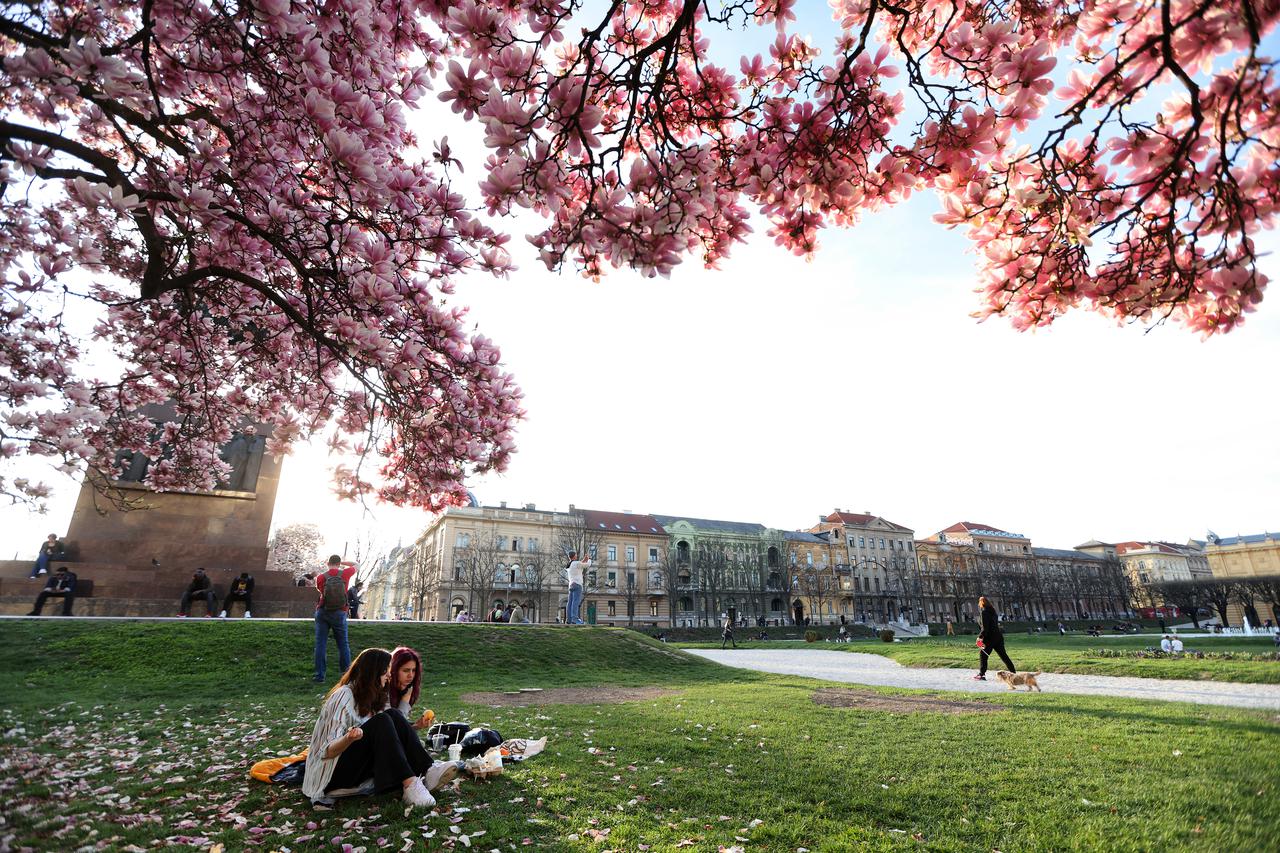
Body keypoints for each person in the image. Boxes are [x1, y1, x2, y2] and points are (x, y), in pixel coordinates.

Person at [302, 648, 436, 809]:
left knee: (391, 714)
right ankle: (410, 784)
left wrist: (414, 725)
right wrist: (348, 738)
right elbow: (327, 751)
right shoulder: (343, 696)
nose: (389, 675)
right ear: (373, 672)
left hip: (355, 767)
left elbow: (390, 736)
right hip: (330, 776)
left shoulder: (370, 695)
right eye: (386, 670)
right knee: (382, 720)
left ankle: (428, 770)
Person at [314, 555, 357, 683]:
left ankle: (319, 676)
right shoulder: (346, 573)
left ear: (328, 563)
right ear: (338, 563)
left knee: (320, 644)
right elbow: (356, 564)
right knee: (343, 644)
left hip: (323, 611)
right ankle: (346, 676)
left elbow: (320, 591)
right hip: (340, 612)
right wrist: (343, 562)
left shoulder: (321, 577)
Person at [973, 596, 1016, 681]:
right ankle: (1013, 673)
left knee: (983, 655)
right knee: (1004, 656)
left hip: (989, 638)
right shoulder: (993, 612)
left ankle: (982, 674)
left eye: (979, 602)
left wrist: (979, 637)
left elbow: (985, 628)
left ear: (981, 603)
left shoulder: (984, 612)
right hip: (998, 636)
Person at [565, 551, 590, 625]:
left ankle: (568, 619)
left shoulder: (569, 565)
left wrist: (584, 560)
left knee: (570, 603)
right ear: (574, 556)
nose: (577, 556)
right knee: (575, 602)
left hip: (571, 585)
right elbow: (587, 565)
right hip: (577, 584)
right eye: (576, 555)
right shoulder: (576, 563)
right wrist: (589, 559)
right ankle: (575, 619)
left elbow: (579, 564)